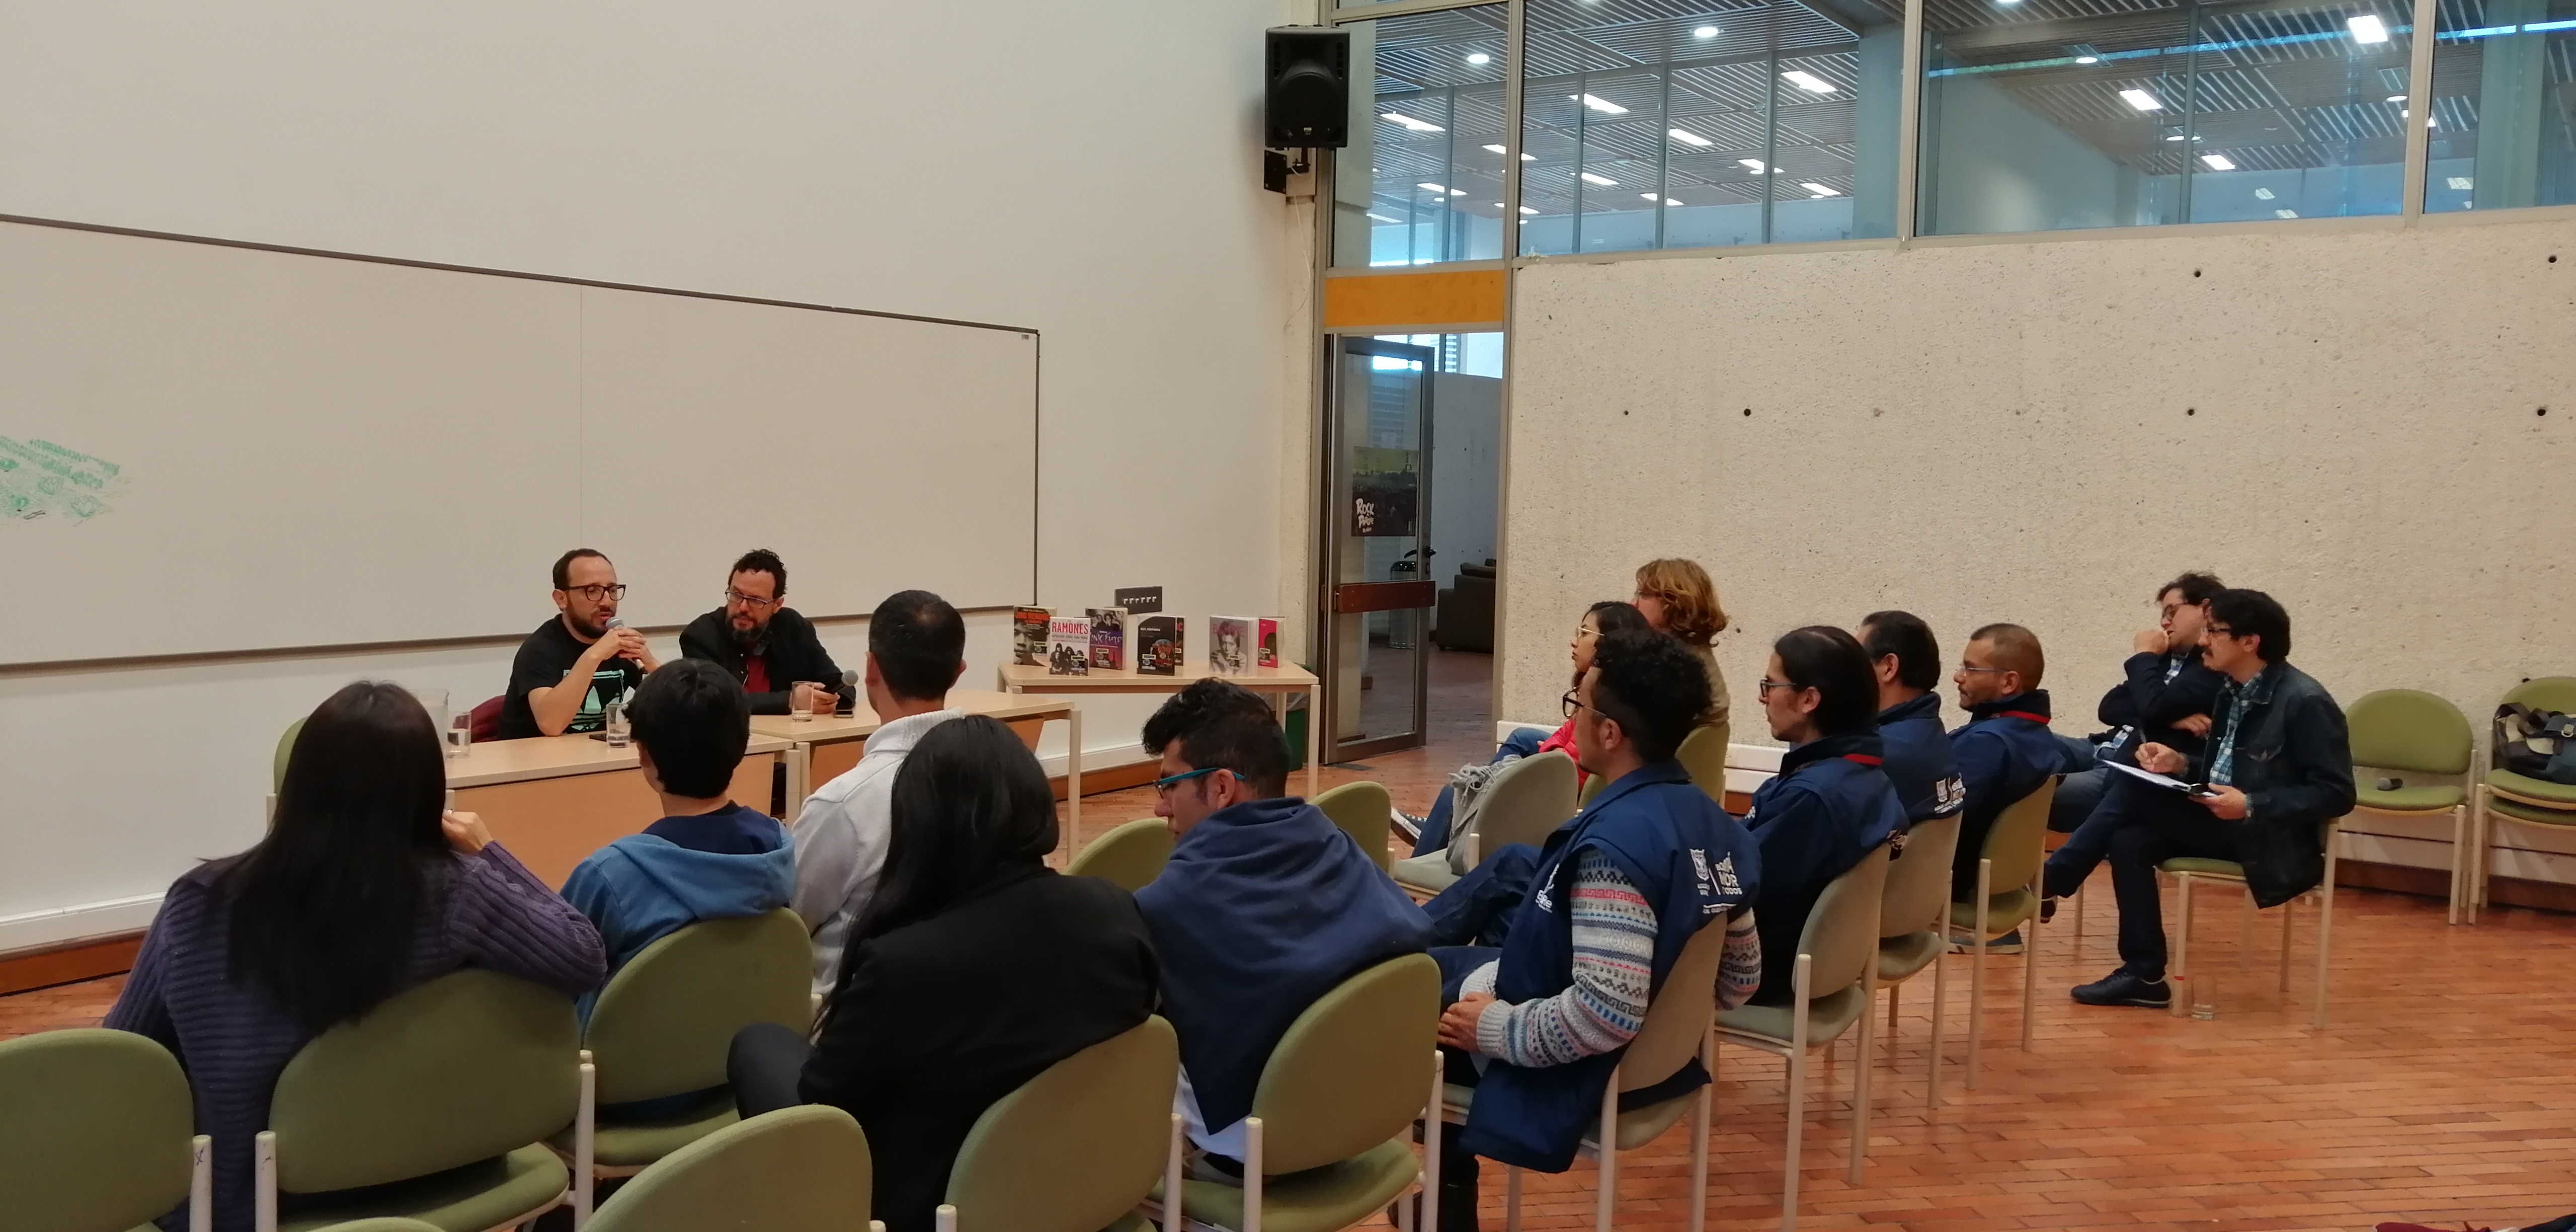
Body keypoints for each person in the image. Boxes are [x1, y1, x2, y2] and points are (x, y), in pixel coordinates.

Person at [106, 683, 605, 1232]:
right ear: (426, 792)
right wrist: (490, 850)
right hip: (430, 1177)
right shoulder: (457, 892)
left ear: (297, 785)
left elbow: (127, 1062)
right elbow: (582, 955)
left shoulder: (200, 903)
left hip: (246, 1206)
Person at [727, 717, 1158, 1232]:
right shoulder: (1115, 909)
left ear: (920, 820)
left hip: (937, 1200)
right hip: (1084, 1173)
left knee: (758, 1045)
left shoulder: (905, 963)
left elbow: (825, 1105)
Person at [1421, 629, 1761, 1227]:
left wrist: (1492, 1027)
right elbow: (1739, 981)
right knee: (1444, 953)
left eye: (1577, 705)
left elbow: (1605, 1015)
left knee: (1393, 992)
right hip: (1661, 1059)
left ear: (1609, 733)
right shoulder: (1715, 824)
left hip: (1579, 1070)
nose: (1570, 718)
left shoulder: (1616, 849)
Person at [1131, 678, 1429, 1174]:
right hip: (1370, 1109)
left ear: (1220, 787)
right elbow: (1414, 934)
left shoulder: (1167, 903)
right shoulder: (1333, 842)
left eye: (1170, 785)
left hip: (1258, 1142)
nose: (1160, 806)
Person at [2072, 589, 2355, 1009]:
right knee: (2129, 839)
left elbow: (2337, 793)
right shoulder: (2230, 690)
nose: (2204, 641)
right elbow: (2222, 767)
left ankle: (2056, 878)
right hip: (2220, 820)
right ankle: (2145, 975)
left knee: (2134, 791)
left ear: (2249, 642)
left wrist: (2251, 804)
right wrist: (2179, 765)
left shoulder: (2305, 701)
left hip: (2267, 839)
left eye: (2214, 631)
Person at [559, 660, 792, 1015]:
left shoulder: (609, 876)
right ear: (741, 747)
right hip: (745, 1049)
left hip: (631, 1064)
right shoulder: (779, 847)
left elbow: (556, 977)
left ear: (644, 755)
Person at [791, 590, 967, 999]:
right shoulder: (1005, 777)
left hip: (852, 1018)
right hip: (970, 1006)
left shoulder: (843, 804)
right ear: (958, 672)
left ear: (870, 668)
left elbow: (792, 921)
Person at [1407, 601, 1653, 856]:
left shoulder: (1605, 697)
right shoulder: (1612, 685)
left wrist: (1543, 759)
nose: (1574, 641)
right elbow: (1567, 731)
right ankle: (1462, 817)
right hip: (1572, 774)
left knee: (1455, 792)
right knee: (1523, 739)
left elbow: (1572, 764)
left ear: (1607, 641)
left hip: (1566, 797)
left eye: (1584, 633)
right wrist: (1550, 751)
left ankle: (1455, 834)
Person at [2042, 573, 2229, 903]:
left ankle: (2026, 890)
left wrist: (2143, 657)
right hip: (2102, 746)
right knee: (2027, 741)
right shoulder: (2164, 661)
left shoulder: (2211, 665)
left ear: (2205, 609)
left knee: (2029, 793)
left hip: (2127, 769)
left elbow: (2153, 706)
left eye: (2172, 611)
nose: (2164, 622)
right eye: (2162, 614)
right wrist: (2170, 713)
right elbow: (2110, 706)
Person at [1740, 626, 1903, 1000]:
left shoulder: (1811, 797)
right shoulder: (1868, 776)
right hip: (1816, 964)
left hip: (1763, 973)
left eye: (1771, 685)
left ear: (1809, 699)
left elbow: (1737, 893)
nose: (1761, 697)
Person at [1946, 623, 2071, 951]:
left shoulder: (1989, 743)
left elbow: (1943, 820)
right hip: (1993, 882)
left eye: (1970, 669)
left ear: (2009, 682)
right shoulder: (2034, 734)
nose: (1958, 677)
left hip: (1951, 886)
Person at [499, 548, 660, 739]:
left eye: (613, 590)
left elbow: (683, 711)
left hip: (596, 757)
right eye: (593, 591)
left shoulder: (621, 645)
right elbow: (551, 725)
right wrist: (594, 655)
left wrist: (651, 665)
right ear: (562, 599)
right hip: (537, 762)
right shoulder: (539, 649)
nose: (607, 601)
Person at [678, 548, 850, 716]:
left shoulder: (793, 627)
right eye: (736, 595)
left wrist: (829, 698)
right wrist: (789, 701)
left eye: (755, 600)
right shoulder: (701, 635)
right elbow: (710, 701)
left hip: (788, 737)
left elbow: (841, 684)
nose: (743, 608)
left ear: (777, 605)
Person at [1859, 611, 1965, 835]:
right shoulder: (1929, 733)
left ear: (1889, 667)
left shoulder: (1877, 753)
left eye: (1856, 661)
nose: (1847, 673)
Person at [1632, 558, 1732, 734]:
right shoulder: (1694, 654)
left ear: (1673, 602)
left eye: (1643, 594)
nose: (1633, 604)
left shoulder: (1675, 667)